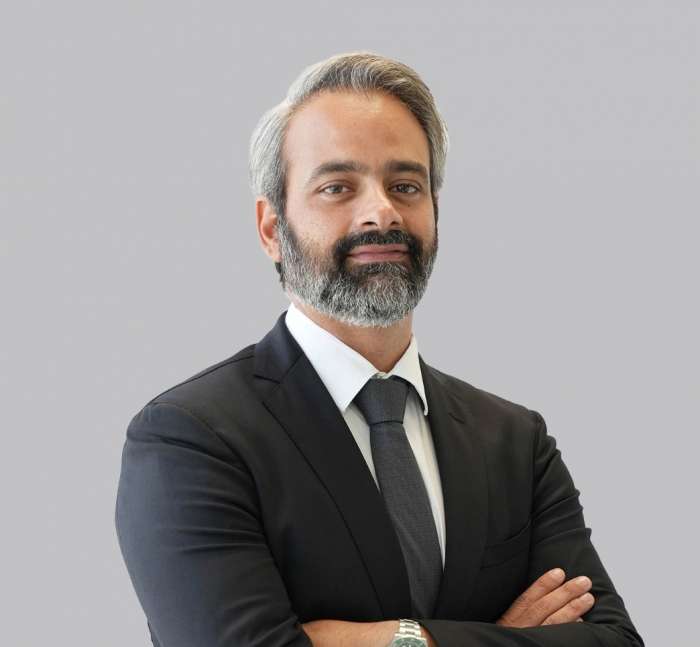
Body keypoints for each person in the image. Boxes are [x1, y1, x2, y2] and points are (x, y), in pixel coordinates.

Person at [115, 52, 644, 647]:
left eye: (405, 186)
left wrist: (404, 639)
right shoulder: (191, 439)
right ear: (271, 229)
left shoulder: (516, 444)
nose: (381, 212)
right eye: (338, 187)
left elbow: (615, 641)